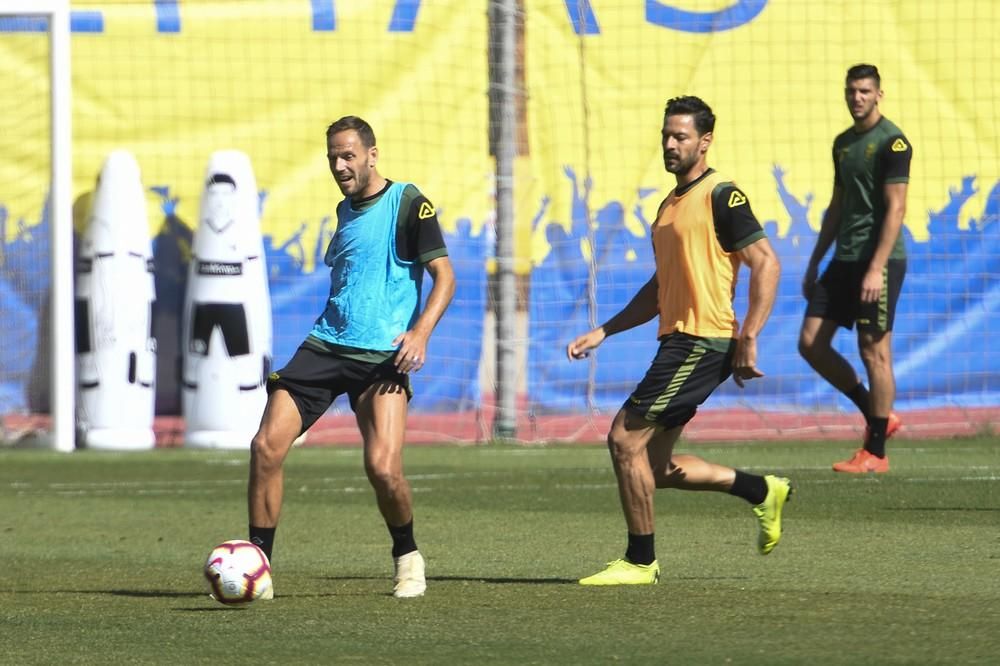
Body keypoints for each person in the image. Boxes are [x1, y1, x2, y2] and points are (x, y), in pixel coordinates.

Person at [566, 96, 791, 586]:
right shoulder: (668, 207)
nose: (670, 144)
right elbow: (659, 289)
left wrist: (748, 334)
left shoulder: (721, 195)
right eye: (666, 135)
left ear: (705, 142)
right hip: (679, 340)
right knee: (654, 467)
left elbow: (767, 262)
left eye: (681, 136)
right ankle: (761, 491)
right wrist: (606, 330)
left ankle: (640, 561)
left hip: (701, 341)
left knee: (623, 439)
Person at [247, 115, 455, 598]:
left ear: (371, 154)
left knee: (383, 467)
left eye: (348, 155)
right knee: (265, 446)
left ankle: (407, 557)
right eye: (333, 158)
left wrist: (420, 333)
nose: (340, 165)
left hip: (382, 356)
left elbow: (445, 278)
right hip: (325, 345)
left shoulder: (408, 202)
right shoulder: (344, 210)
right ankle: (258, 569)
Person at [799, 64, 911, 474]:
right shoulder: (843, 144)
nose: (857, 98)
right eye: (851, 91)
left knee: (874, 350)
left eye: (865, 91)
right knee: (810, 343)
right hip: (844, 258)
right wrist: (814, 262)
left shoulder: (893, 142)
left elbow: (896, 208)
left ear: (879, 94)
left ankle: (876, 452)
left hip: (878, 260)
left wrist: (875, 267)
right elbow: (837, 205)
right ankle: (877, 412)